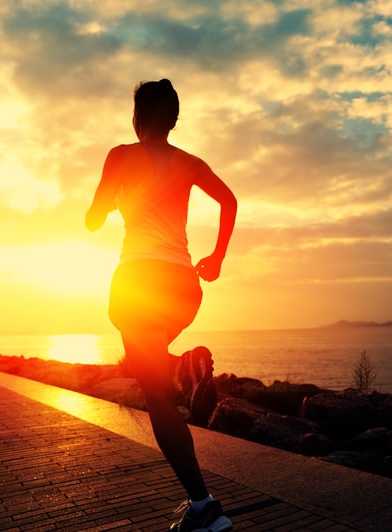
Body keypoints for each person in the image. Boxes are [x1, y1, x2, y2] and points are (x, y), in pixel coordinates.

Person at [86, 78, 237, 532]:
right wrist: (218, 257)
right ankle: (179, 366)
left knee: (155, 395)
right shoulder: (189, 161)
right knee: (148, 365)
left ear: (137, 120)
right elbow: (229, 201)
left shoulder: (121, 156)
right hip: (182, 284)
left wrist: (112, 201)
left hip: (138, 280)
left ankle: (204, 506)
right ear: (172, 120)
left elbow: (92, 220)